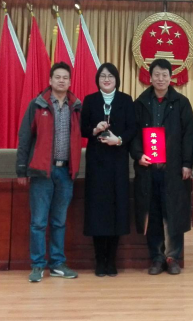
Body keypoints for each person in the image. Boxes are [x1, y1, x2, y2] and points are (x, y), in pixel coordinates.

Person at [16, 61, 82, 283]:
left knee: (59, 221)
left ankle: (57, 264)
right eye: (58, 77)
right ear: (50, 80)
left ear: (70, 82)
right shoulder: (38, 105)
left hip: (66, 172)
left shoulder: (76, 107)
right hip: (41, 172)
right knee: (38, 222)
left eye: (65, 78)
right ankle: (37, 265)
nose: (61, 81)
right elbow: (25, 138)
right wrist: (21, 170)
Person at [130, 58, 193, 275]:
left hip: (173, 170)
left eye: (164, 75)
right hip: (148, 169)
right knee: (154, 215)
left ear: (170, 77)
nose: (160, 79)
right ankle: (157, 258)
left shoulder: (181, 103)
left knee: (173, 214)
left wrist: (187, 163)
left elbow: (188, 135)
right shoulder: (140, 103)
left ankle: (173, 257)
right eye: (156, 75)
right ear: (150, 77)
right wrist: (138, 155)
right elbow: (133, 134)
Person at [81, 63, 136, 277]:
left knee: (116, 210)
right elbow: (82, 129)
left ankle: (111, 260)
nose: (106, 79)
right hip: (96, 163)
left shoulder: (126, 100)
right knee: (97, 211)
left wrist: (119, 140)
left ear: (116, 79)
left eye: (110, 76)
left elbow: (132, 128)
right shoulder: (90, 100)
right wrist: (95, 130)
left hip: (118, 162)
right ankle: (99, 260)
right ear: (97, 79)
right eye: (103, 75)